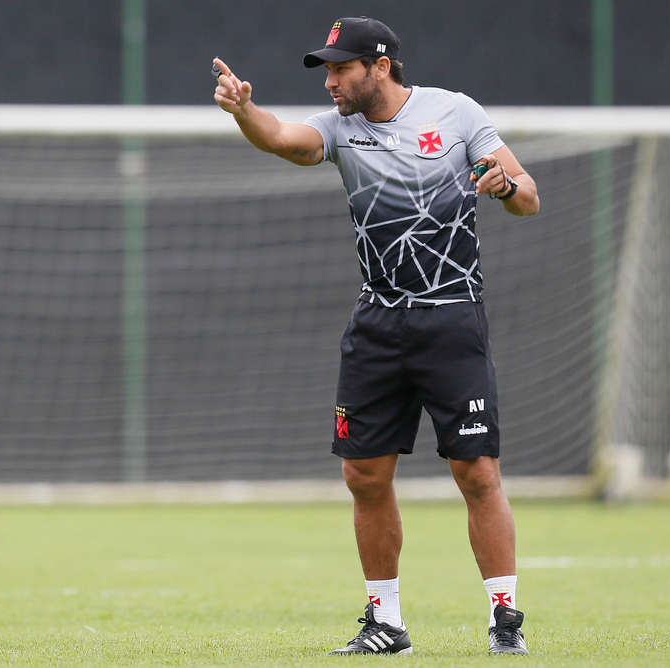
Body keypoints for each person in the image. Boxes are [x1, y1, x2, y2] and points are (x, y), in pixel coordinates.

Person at [212, 15, 539, 656]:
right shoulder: (338, 129)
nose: (331, 82)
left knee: (476, 471)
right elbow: (281, 138)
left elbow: (527, 194)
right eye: (327, 70)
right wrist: (245, 111)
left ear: (379, 67)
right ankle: (385, 624)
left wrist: (503, 187)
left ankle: (505, 621)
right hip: (378, 324)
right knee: (364, 474)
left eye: (340, 69)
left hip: (451, 318)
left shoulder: (456, 113)